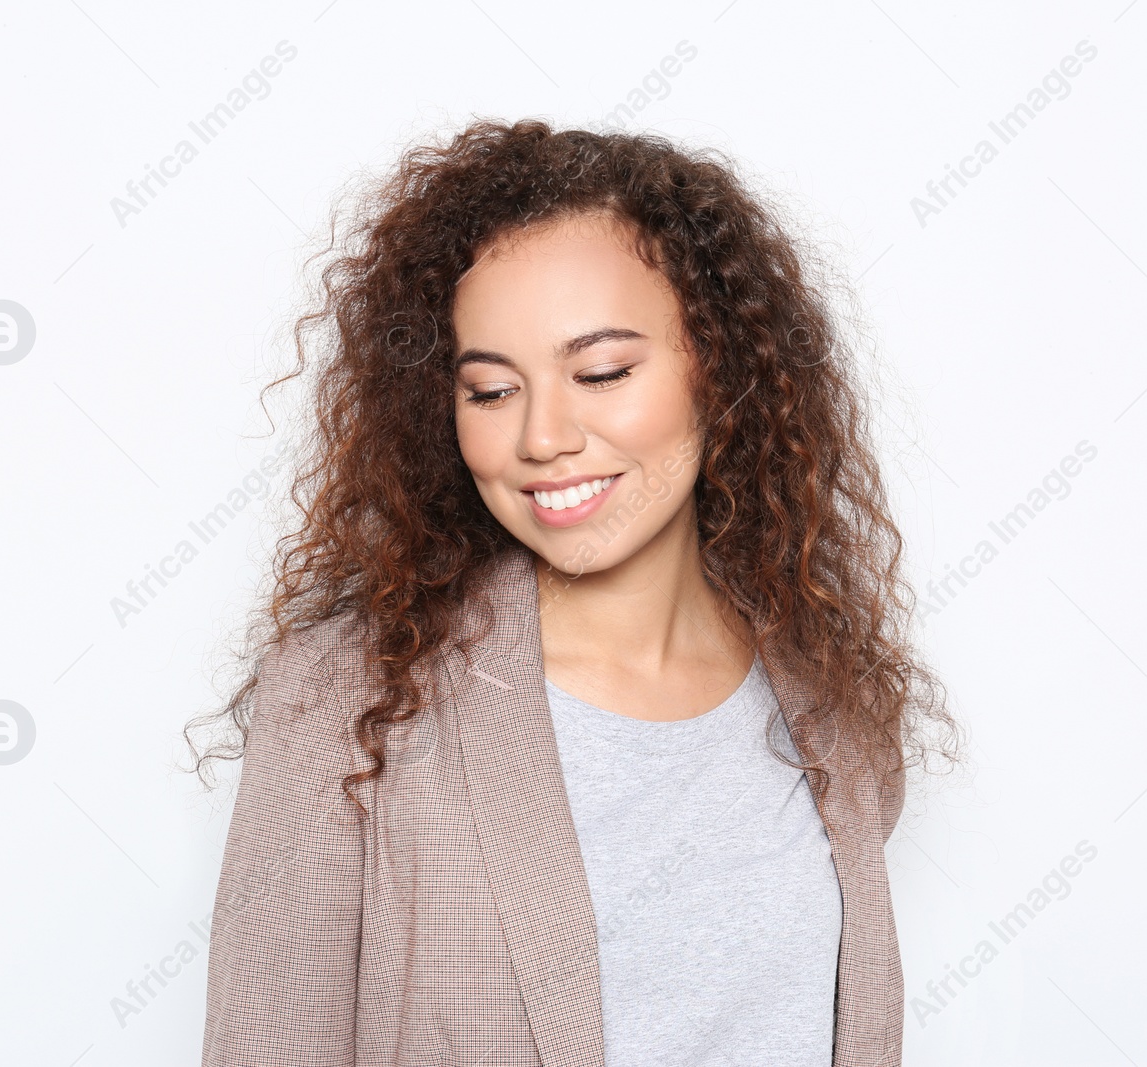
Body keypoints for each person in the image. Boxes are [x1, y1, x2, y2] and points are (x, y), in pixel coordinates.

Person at [186, 118, 954, 1066]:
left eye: (601, 372)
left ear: (721, 368)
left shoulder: (828, 698)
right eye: (491, 391)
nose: (543, 435)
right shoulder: (348, 697)